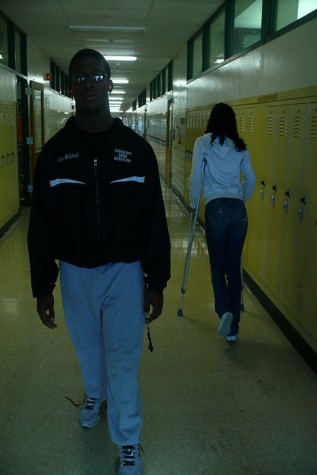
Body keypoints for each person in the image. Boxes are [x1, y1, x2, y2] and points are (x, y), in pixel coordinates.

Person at [27, 48, 171, 475]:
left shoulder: (135, 150)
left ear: (109, 83)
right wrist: (42, 286)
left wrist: (156, 281)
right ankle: (94, 394)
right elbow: (41, 226)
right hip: (74, 274)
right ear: (71, 87)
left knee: (124, 362)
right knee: (90, 353)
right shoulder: (54, 154)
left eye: (96, 76)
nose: (88, 83)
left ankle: (128, 440)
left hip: (125, 273)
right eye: (80, 77)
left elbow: (154, 220)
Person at [189, 102, 256, 342]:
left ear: (211, 120)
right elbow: (251, 180)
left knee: (217, 266)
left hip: (215, 208)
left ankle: (224, 310)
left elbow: (197, 176)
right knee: (233, 266)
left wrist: (193, 201)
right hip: (238, 211)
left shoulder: (203, 143)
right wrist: (240, 199)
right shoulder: (241, 147)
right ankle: (234, 329)